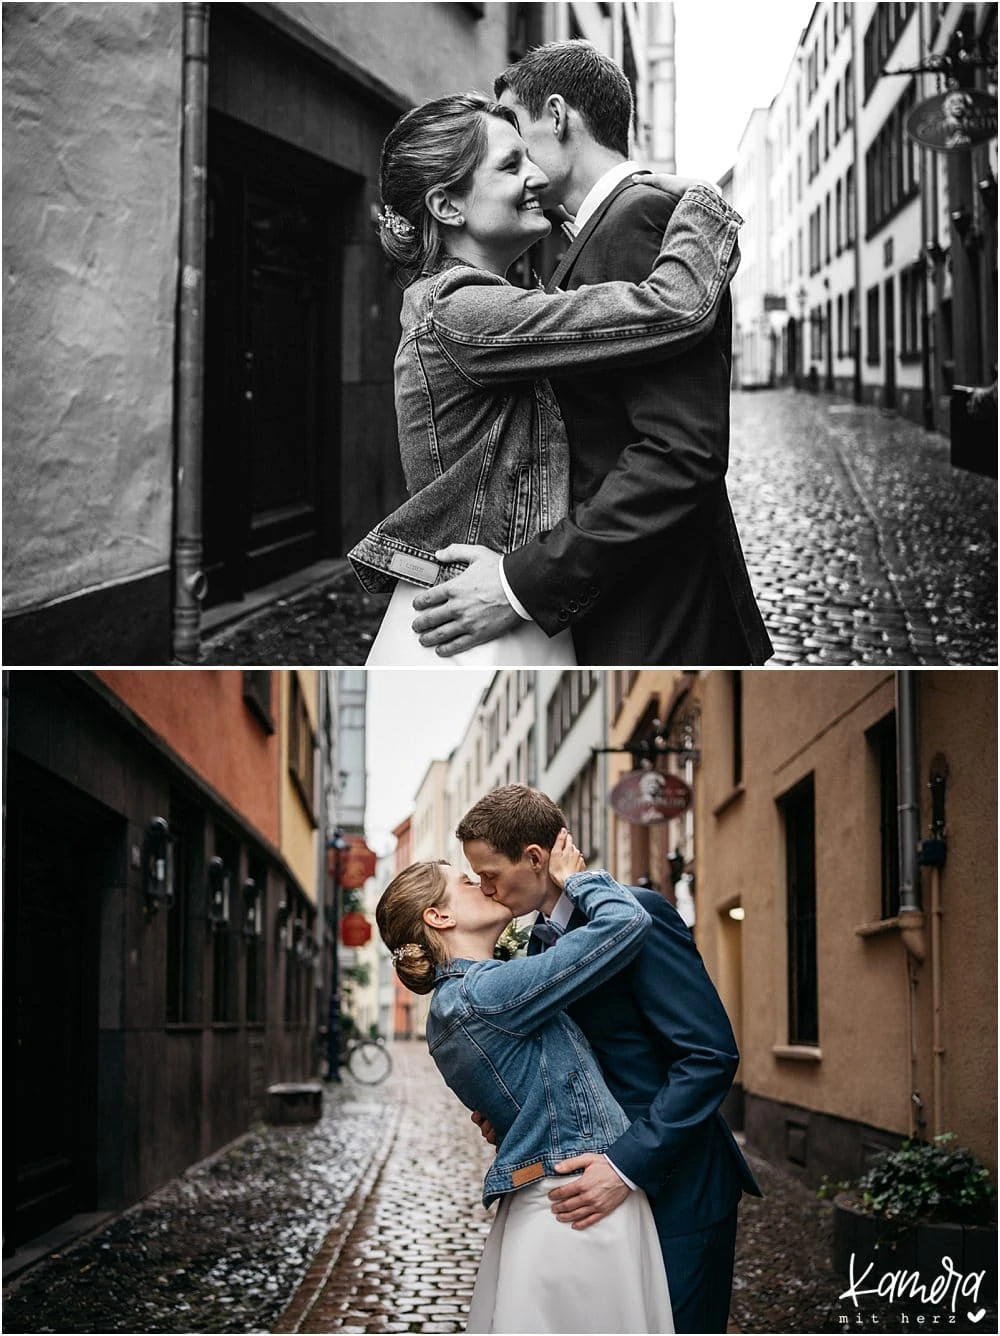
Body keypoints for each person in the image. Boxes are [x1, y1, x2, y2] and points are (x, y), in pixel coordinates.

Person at [347, 90, 743, 666]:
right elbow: (671, 308)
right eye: (511, 166)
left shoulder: (480, 302)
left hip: (500, 608)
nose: (536, 174)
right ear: (448, 207)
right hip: (481, 615)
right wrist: (704, 203)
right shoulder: (460, 309)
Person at [456, 785, 762, 1335]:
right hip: (602, 1196)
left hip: (678, 1187)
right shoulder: (538, 946)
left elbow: (708, 1054)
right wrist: (514, 1108)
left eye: (490, 873)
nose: (485, 888)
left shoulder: (639, 914)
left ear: (534, 858)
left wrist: (625, 1166)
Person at [375, 830, 674, 1333]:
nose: (485, 887)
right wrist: (579, 879)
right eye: (469, 882)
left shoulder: (457, 1003)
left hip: (555, 1200)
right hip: (577, 1207)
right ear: (439, 917)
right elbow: (625, 922)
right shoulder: (484, 992)